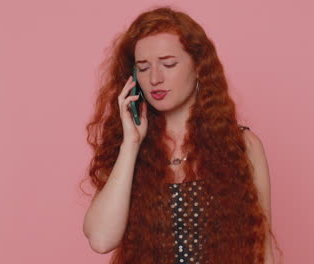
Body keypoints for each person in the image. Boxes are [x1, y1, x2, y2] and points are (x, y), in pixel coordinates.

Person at [82, 5, 282, 264]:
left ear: (198, 66)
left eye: (168, 63)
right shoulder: (129, 150)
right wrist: (131, 144)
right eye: (143, 67)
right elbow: (101, 239)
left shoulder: (243, 146)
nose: (155, 78)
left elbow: (262, 250)